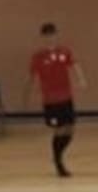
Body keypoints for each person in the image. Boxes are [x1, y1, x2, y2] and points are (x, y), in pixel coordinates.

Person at [27, 22, 86, 178]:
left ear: (56, 35)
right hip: (51, 99)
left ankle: (58, 155)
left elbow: (74, 65)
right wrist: (31, 93)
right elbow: (33, 76)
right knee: (59, 129)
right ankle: (59, 162)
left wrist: (81, 79)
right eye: (47, 35)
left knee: (70, 129)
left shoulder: (64, 52)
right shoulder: (38, 56)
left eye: (52, 34)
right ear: (43, 37)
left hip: (66, 96)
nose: (50, 38)